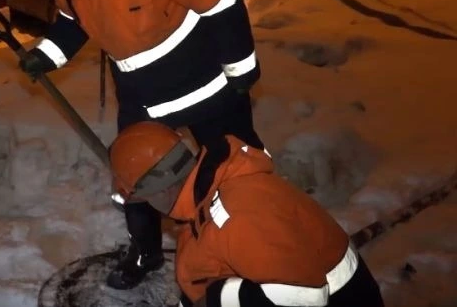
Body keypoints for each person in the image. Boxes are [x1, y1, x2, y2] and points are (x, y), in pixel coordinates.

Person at [16, 0, 265, 289]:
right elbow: (73, 17)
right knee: (134, 180)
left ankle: (253, 243)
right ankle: (146, 250)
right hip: (142, 99)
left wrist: (242, 69)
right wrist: (48, 53)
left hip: (206, 89)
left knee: (235, 170)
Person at [109, 121, 386, 307]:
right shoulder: (202, 199)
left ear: (156, 187)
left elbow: (304, 298)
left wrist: (216, 298)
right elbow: (204, 269)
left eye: (140, 197)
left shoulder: (238, 216)